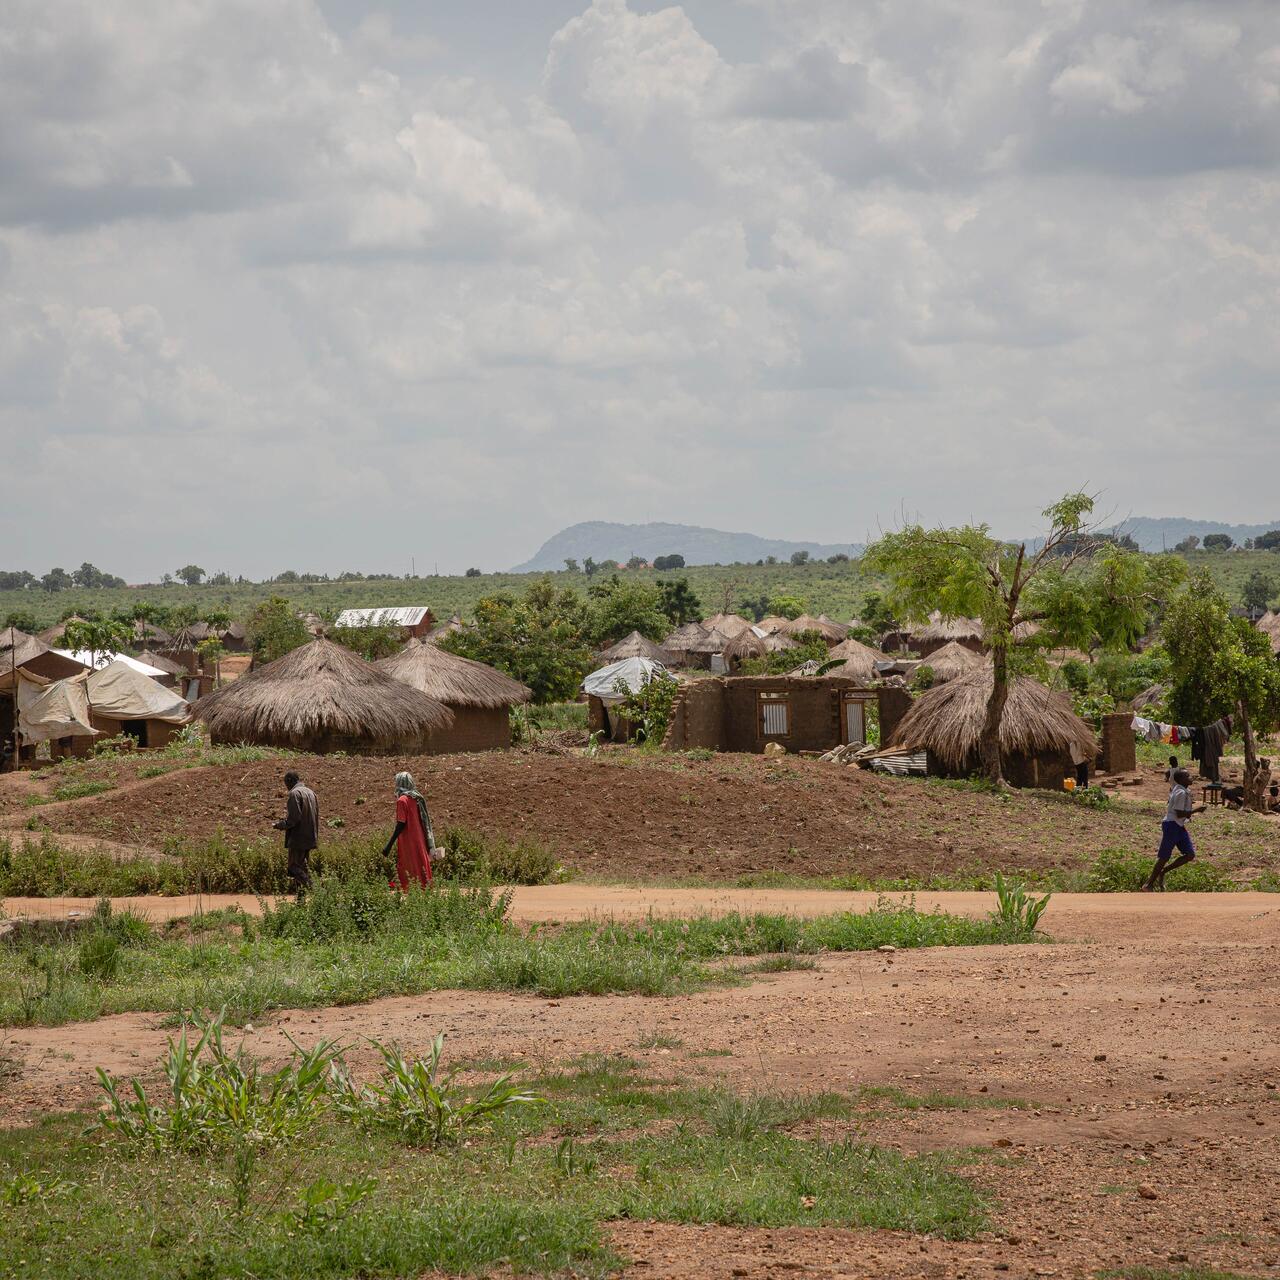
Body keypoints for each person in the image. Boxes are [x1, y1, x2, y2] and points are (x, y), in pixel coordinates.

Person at [1143, 768, 1204, 892]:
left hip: (1178, 826)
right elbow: (1179, 812)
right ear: (1181, 780)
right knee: (1164, 857)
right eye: (1188, 776)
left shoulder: (1182, 790)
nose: (1191, 778)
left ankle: (1164, 871)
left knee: (1189, 854)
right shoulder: (1180, 793)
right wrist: (1196, 810)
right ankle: (1148, 884)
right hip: (1172, 825)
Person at [381, 770, 436, 890]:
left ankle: (408, 889)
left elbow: (401, 824)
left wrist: (388, 845)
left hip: (408, 839)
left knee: (407, 864)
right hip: (420, 837)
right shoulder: (416, 798)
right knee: (420, 862)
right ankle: (424, 888)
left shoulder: (402, 801)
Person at [273, 770, 318, 896]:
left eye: (286, 784)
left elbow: (294, 818)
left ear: (290, 781)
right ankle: (300, 902)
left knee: (293, 867)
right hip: (310, 836)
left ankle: (317, 891)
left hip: (298, 837)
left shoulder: (294, 793)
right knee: (302, 868)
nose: (286, 788)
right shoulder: (311, 792)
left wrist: (280, 825)